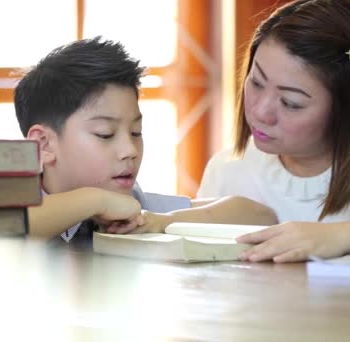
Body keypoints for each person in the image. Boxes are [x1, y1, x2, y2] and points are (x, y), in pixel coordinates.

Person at [197, 0, 350, 262]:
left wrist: (343, 236)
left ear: (349, 108)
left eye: (291, 103)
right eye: (256, 82)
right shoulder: (229, 168)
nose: (260, 112)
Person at [14, 37, 277, 242]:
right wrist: (94, 201)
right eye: (105, 134)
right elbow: (5, 226)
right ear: (44, 145)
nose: (130, 150)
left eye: (136, 133)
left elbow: (258, 216)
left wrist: (160, 222)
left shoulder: (129, 205)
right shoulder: (0, 192)